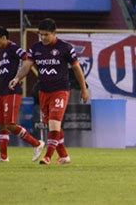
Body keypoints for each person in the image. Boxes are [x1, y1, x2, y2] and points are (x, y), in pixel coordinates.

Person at [8, 19, 89, 165]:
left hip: (61, 90)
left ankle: (48, 156)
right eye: (41, 35)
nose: (43, 38)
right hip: (43, 91)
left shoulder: (65, 48)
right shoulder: (36, 48)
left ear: (54, 33)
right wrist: (17, 78)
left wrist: (84, 89)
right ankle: (63, 156)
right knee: (53, 125)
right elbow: (26, 66)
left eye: (46, 35)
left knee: (54, 122)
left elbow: (77, 69)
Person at [0, 27, 44, 162]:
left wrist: (19, 78)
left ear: (3, 37)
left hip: (12, 92)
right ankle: (3, 157)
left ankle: (37, 144)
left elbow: (28, 59)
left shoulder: (13, 48)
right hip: (3, 92)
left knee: (10, 124)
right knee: (2, 124)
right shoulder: (3, 51)